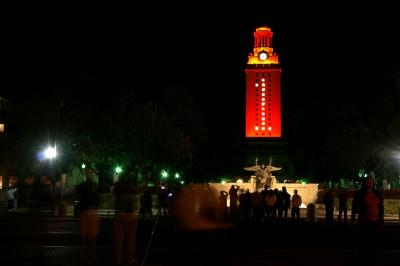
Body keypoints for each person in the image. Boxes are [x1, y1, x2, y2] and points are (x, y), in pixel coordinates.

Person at [351, 176, 384, 266]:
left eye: (371, 181)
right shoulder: (360, 194)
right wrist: (353, 219)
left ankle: (372, 259)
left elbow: (381, 208)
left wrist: (381, 221)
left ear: (373, 183)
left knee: (374, 242)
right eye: (368, 181)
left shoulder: (377, 194)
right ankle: (363, 259)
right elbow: (354, 207)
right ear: (365, 183)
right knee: (364, 242)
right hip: (364, 222)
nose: (369, 183)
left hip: (375, 222)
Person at [113, 170, 139, 266]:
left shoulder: (118, 186)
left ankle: (118, 258)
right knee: (131, 239)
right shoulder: (133, 187)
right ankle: (129, 258)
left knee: (119, 238)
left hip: (120, 213)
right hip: (131, 214)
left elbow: (114, 192)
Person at [76, 168, 100, 265]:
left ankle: (83, 254)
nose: (90, 174)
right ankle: (91, 254)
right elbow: (97, 198)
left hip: (85, 211)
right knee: (91, 235)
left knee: (84, 234)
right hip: (91, 211)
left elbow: (77, 193)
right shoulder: (94, 185)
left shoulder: (83, 185)